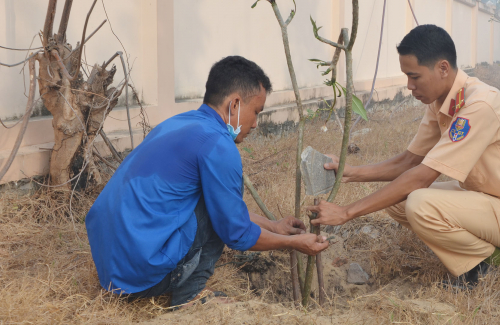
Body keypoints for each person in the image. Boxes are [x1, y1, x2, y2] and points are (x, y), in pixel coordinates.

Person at [308, 25, 500, 288]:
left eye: (414, 76)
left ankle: (482, 269)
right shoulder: (441, 100)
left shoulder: (478, 104)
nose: (409, 86)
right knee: (397, 199)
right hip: (491, 201)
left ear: (443, 68)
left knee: (419, 202)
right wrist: (349, 171)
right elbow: (409, 162)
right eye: (406, 77)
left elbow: (423, 175)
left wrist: (346, 212)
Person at [86, 56, 328, 308]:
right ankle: (190, 297)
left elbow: (223, 205)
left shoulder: (178, 123)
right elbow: (236, 233)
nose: (255, 124)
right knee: (220, 219)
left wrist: (273, 226)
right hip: (140, 275)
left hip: (111, 269)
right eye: (255, 112)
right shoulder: (218, 145)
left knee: (212, 203)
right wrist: (293, 242)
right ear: (234, 104)